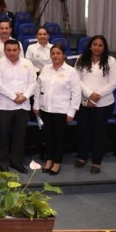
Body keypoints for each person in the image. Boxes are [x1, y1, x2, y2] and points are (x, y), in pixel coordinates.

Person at [35, 45, 81, 176]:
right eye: (53, 53)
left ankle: (57, 162)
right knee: (48, 137)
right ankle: (49, 159)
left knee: (59, 138)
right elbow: (38, 88)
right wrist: (36, 105)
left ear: (64, 55)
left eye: (58, 53)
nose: (55, 56)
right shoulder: (45, 68)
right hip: (45, 108)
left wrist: (72, 112)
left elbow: (76, 93)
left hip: (61, 110)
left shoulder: (71, 71)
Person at [75, 35, 116, 174]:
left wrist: (95, 97)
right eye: (95, 44)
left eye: (100, 45)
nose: (97, 47)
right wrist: (89, 94)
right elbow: (76, 80)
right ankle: (82, 157)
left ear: (104, 47)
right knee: (83, 131)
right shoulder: (81, 59)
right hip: (84, 102)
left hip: (104, 104)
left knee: (98, 133)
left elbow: (113, 83)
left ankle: (96, 162)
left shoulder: (111, 60)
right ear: (90, 46)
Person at [0, 40, 37, 173]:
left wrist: (24, 96)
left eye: (14, 50)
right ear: (4, 51)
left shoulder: (27, 63)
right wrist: (13, 97)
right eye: (9, 50)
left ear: (19, 50)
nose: (11, 53)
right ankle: (2, 161)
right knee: (3, 135)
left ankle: (16, 162)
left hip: (23, 105)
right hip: (4, 105)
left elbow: (33, 83)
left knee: (20, 136)